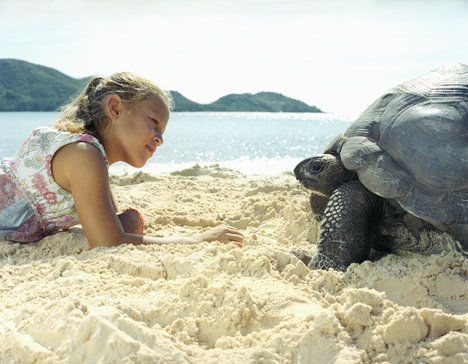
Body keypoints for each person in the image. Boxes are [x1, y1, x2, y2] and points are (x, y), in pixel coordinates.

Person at [0, 72, 243, 249]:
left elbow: (116, 225)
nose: (160, 139)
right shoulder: (84, 154)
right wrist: (195, 240)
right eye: (154, 122)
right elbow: (108, 241)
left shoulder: (94, 159)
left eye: (162, 132)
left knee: (132, 219)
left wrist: (128, 222)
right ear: (115, 108)